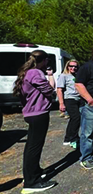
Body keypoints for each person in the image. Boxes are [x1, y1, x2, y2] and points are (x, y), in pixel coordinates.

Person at [13, 50, 57, 192]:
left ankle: (33, 172)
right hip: (39, 113)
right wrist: (50, 77)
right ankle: (32, 182)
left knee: (31, 146)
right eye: (46, 61)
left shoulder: (26, 72)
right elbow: (49, 90)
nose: (47, 64)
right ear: (43, 60)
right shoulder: (36, 73)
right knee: (34, 147)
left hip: (30, 113)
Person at [57, 59, 81, 149]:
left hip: (78, 99)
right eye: (71, 66)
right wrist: (61, 103)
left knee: (74, 119)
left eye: (75, 66)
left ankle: (68, 138)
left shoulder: (77, 75)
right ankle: (73, 138)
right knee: (76, 118)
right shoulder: (64, 76)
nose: (73, 68)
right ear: (67, 66)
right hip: (69, 99)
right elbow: (59, 90)